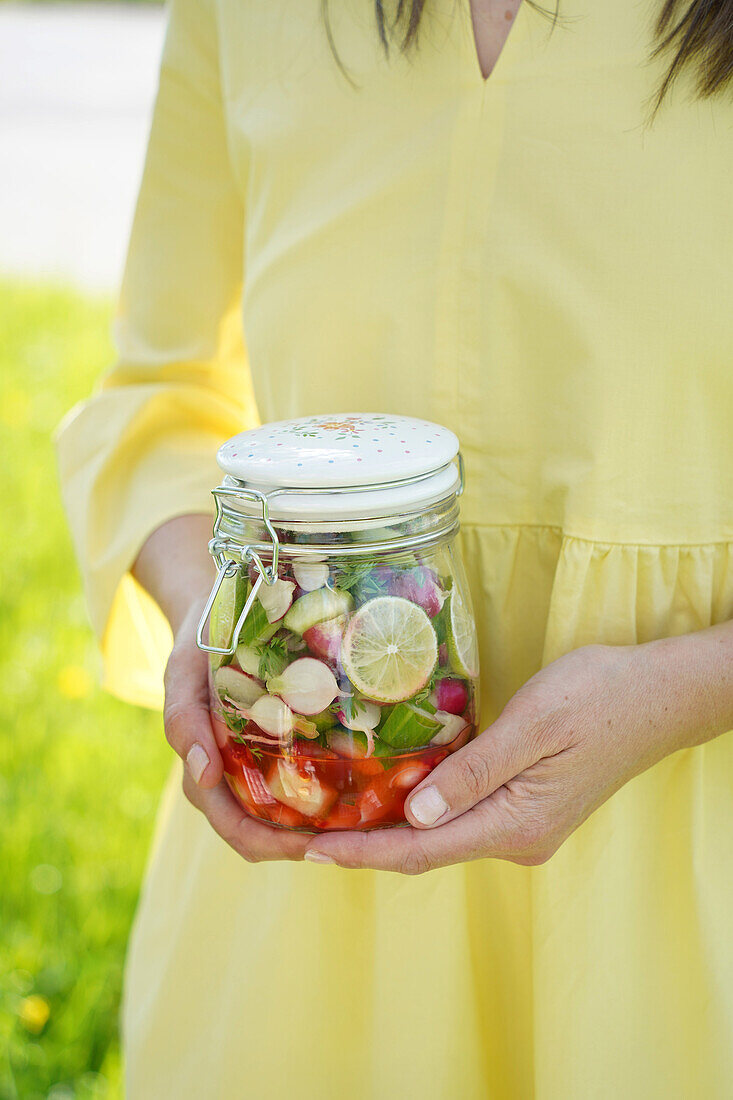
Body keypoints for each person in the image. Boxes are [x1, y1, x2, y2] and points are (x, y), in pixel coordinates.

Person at [57, 1, 733, 1096]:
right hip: (307, 846)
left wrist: (684, 687)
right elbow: (162, 393)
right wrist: (217, 622)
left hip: (685, 880)